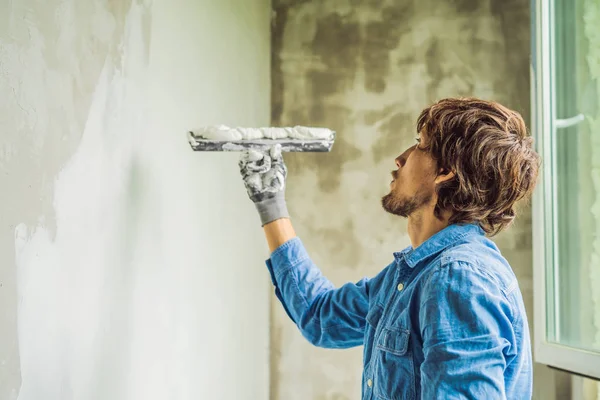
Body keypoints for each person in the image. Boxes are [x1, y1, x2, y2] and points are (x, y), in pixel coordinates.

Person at [237, 97, 540, 399]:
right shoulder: (413, 276)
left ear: (446, 171)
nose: (400, 158)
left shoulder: (458, 279)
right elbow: (320, 319)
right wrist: (270, 201)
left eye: (420, 145)